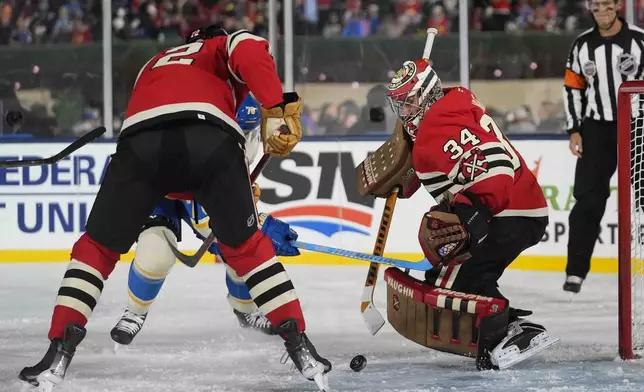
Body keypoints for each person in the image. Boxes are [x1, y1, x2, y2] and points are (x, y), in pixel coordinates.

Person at [19, 26, 331, 392]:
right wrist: (275, 108)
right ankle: (300, 345)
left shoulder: (154, 63)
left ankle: (58, 349)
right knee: (244, 249)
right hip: (209, 143)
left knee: (96, 248)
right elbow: (249, 51)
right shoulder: (221, 50)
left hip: (141, 144)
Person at [386, 58, 555, 369]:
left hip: (511, 212)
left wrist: (470, 214)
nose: (405, 112)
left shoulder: (440, 127)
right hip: (511, 209)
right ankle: (506, 321)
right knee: (446, 277)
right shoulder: (447, 109)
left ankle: (514, 329)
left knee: (455, 284)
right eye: (400, 105)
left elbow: (498, 166)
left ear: (427, 95)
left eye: (409, 103)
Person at [109, 95, 296, 346]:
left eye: (248, 132)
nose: (244, 140)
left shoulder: (240, 110)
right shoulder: (194, 131)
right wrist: (259, 227)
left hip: (201, 179)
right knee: (156, 253)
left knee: (240, 243)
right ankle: (135, 311)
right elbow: (207, 221)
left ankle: (245, 309)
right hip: (158, 185)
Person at [563, 0, 644, 293]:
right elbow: (573, 88)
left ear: (617, 6)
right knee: (587, 201)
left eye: (607, 5)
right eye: (597, 5)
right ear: (590, 8)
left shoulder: (639, 40)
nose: (603, 11)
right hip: (596, 129)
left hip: (638, 126)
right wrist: (574, 129)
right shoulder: (582, 45)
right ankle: (576, 271)